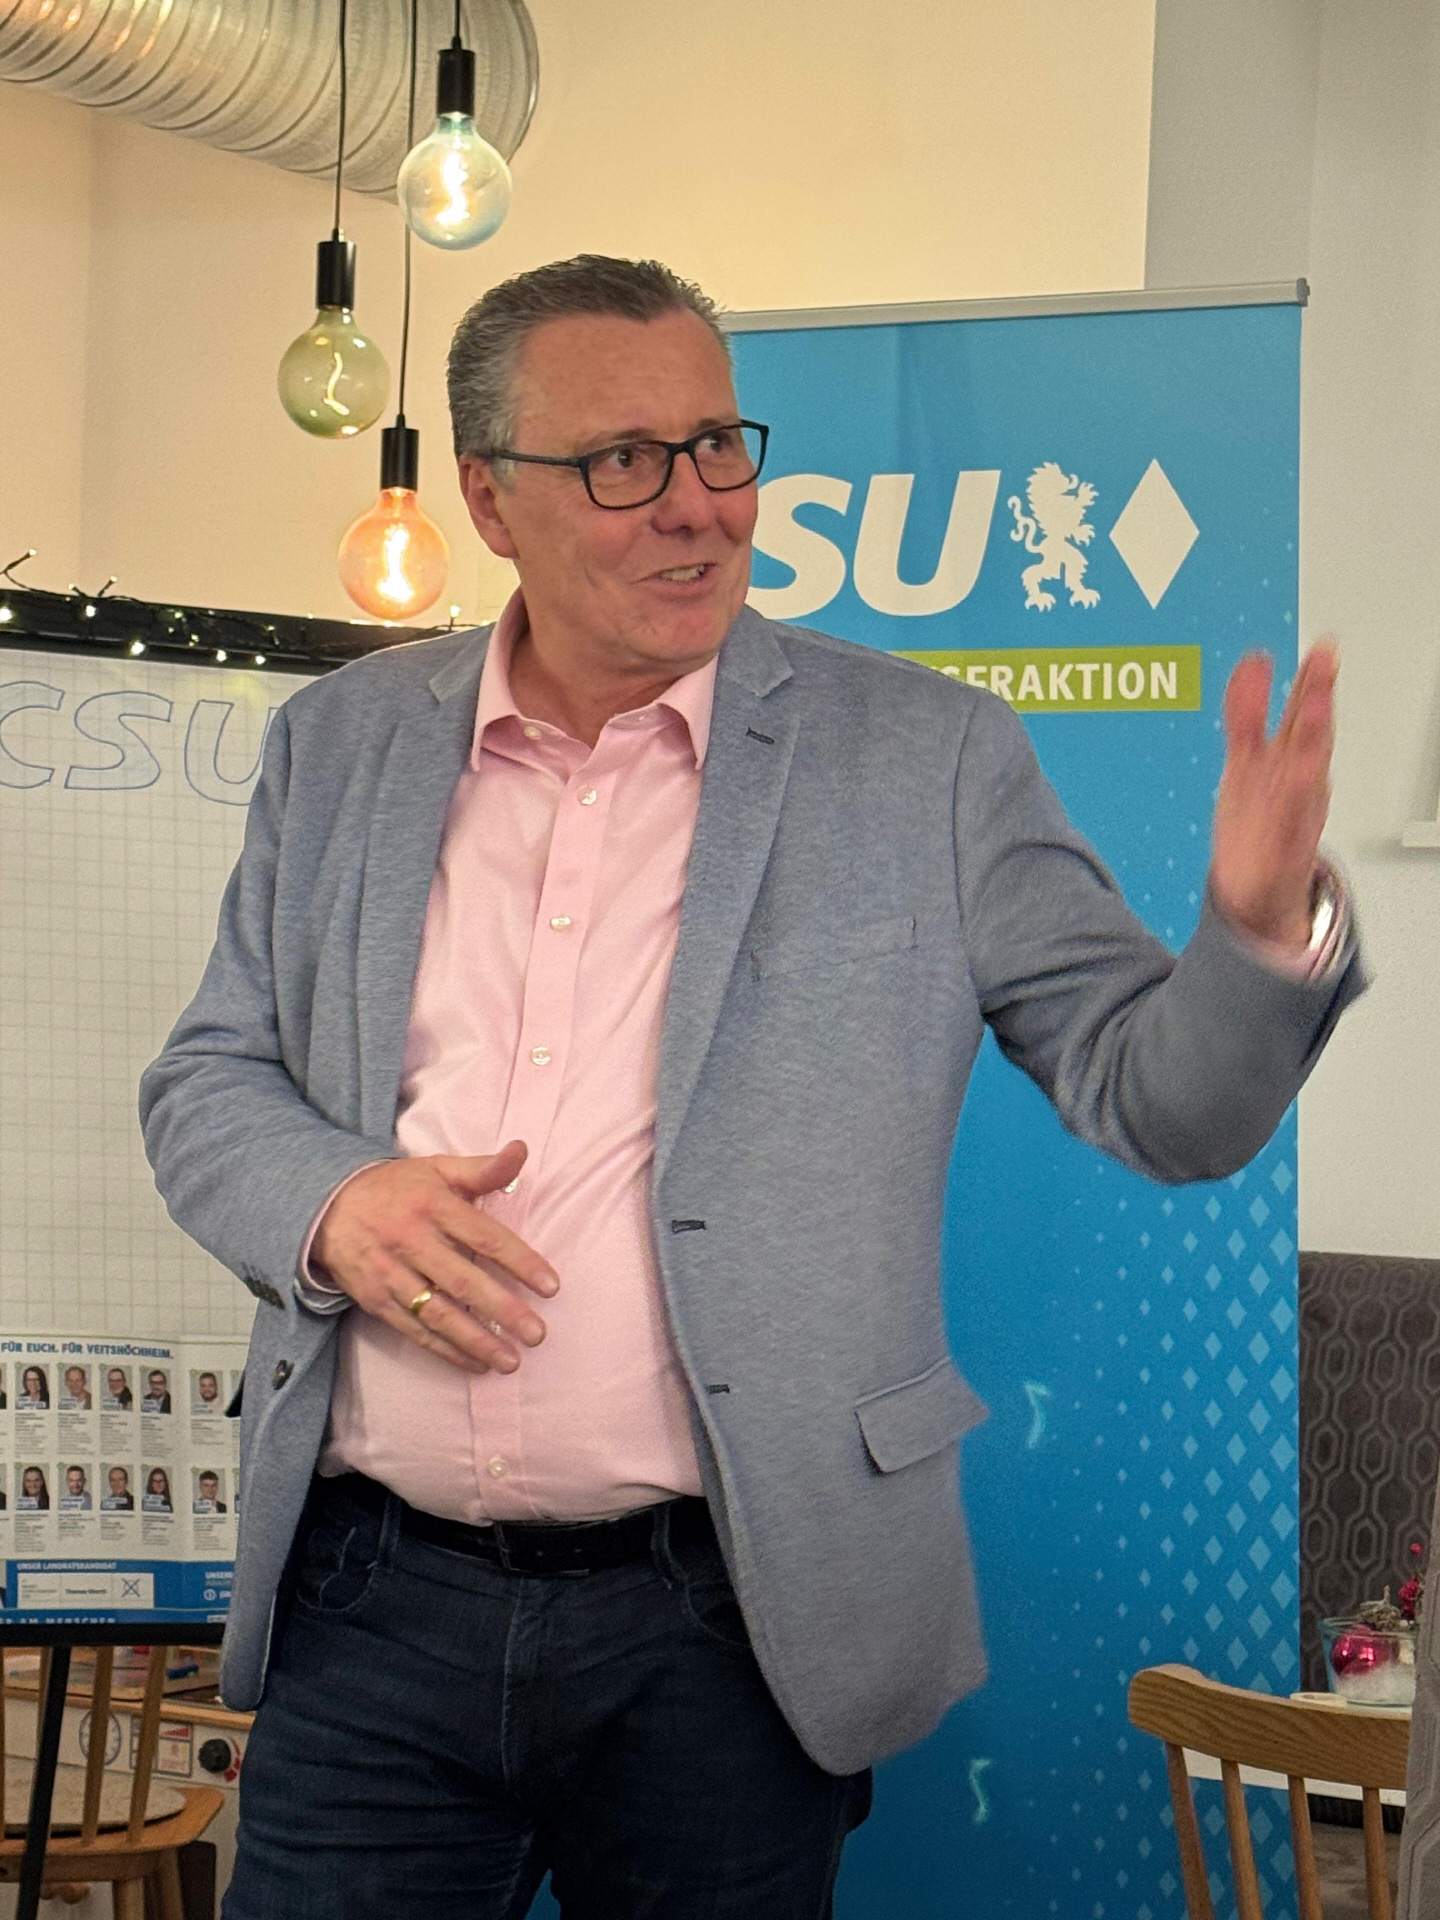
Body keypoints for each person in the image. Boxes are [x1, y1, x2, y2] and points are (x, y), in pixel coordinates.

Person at [141, 255, 1362, 1920]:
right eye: (623, 460)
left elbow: (1168, 1106)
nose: (698, 504)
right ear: (490, 499)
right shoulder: (341, 744)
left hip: (731, 1616)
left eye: (719, 444)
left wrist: (1259, 935)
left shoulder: (928, 755)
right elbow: (210, 1079)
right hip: (373, 1603)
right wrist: (335, 1203)